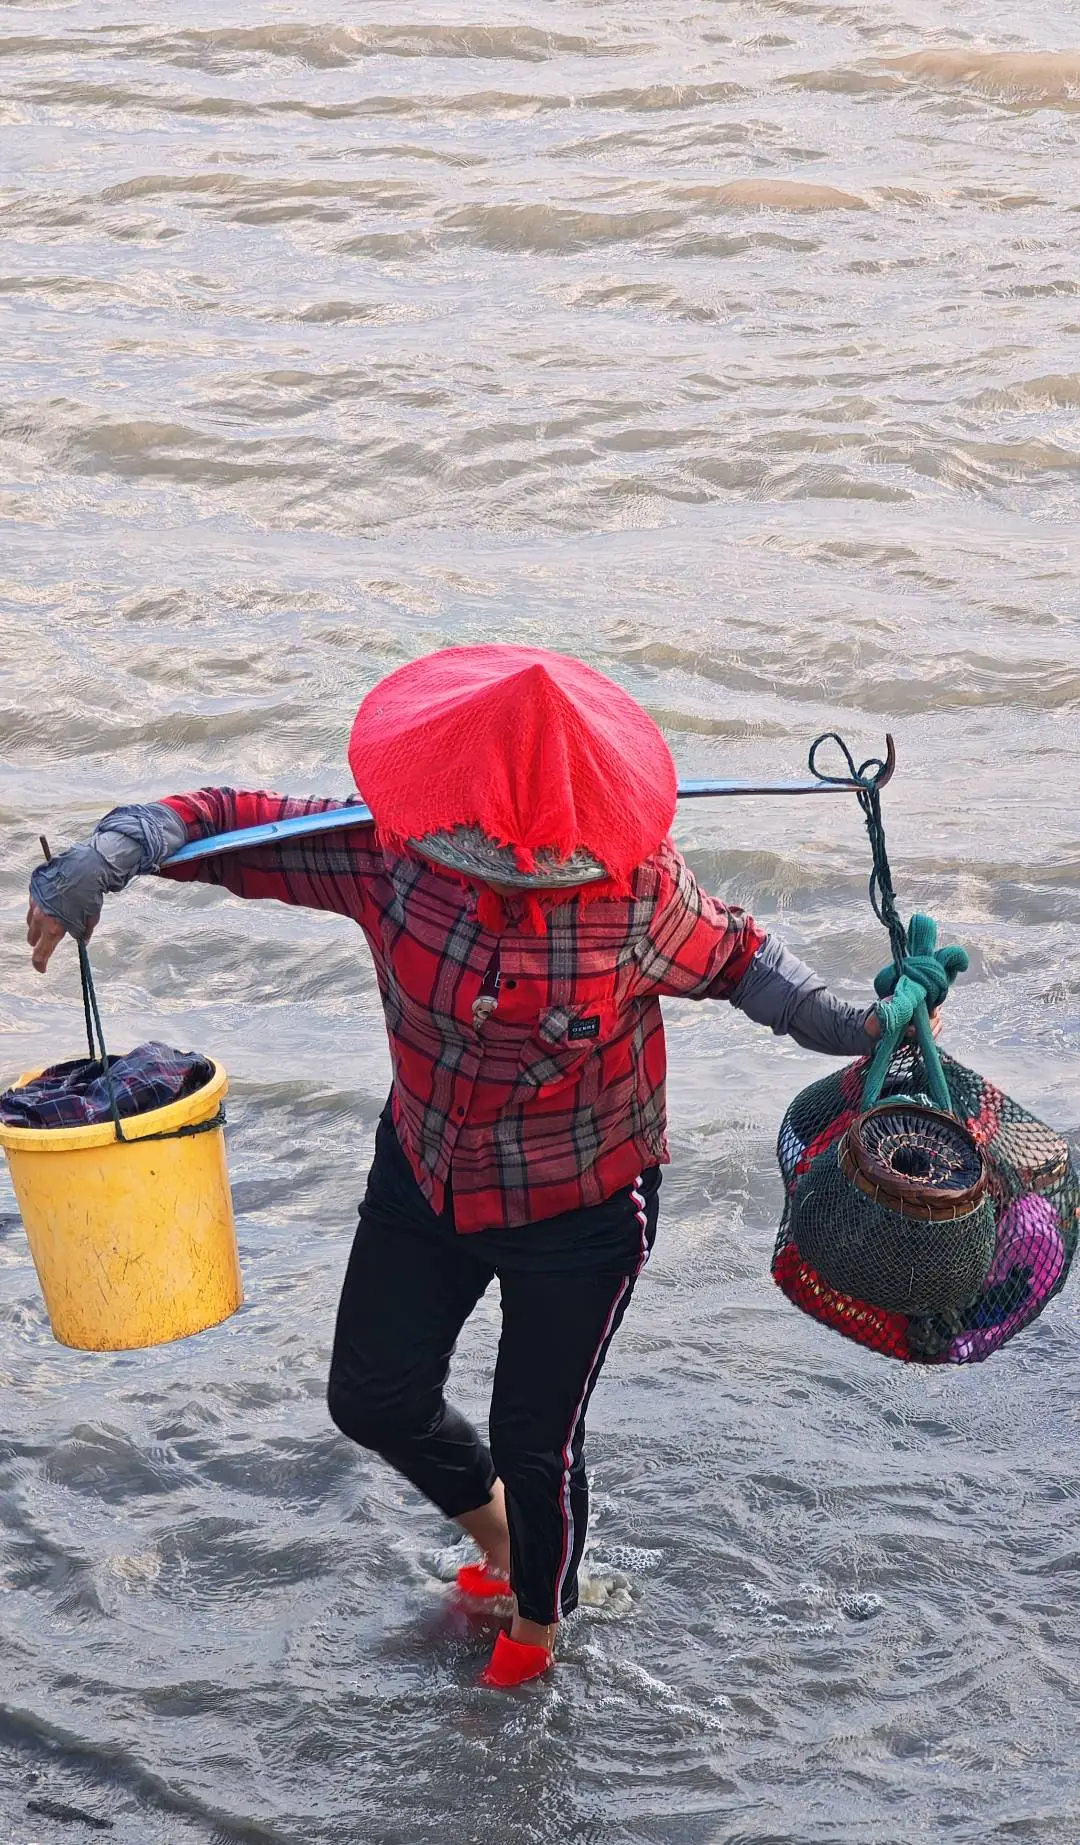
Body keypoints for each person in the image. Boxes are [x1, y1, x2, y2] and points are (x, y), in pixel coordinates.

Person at [26, 645, 903, 1690]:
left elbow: (755, 968)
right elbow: (226, 825)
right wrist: (111, 854)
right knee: (372, 1396)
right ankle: (501, 1540)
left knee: (537, 1441)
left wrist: (866, 1026)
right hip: (428, 1170)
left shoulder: (638, 890)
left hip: (584, 1203)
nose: (507, 873)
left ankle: (538, 1626)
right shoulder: (387, 855)